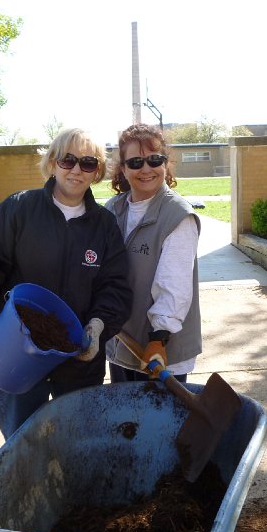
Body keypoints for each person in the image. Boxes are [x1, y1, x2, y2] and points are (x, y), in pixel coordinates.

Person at [0, 128, 133, 439]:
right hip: (17, 352)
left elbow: (115, 285)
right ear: (52, 163)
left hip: (79, 359)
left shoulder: (104, 226)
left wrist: (97, 326)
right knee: (20, 441)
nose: (76, 169)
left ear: (97, 173)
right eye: (68, 160)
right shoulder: (19, 209)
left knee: (78, 442)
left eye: (88, 163)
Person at [104, 123, 202, 383]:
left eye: (154, 160)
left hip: (159, 353)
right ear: (123, 169)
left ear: (165, 164)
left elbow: (175, 286)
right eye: (135, 162)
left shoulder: (177, 215)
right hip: (121, 344)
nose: (146, 169)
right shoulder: (113, 209)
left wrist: (159, 338)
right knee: (127, 421)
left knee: (160, 423)